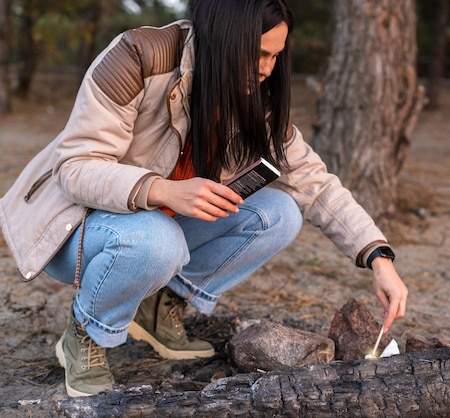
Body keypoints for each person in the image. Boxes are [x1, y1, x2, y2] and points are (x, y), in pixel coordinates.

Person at [0, 0, 408, 398]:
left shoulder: (252, 96)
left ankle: (157, 309)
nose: (268, 70)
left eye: (276, 57)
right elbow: (75, 168)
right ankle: (84, 332)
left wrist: (378, 258)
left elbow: (315, 184)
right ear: (225, 37)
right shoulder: (139, 55)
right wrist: (162, 189)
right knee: (158, 239)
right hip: (75, 226)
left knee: (279, 213)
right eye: (259, 55)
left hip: (156, 227)